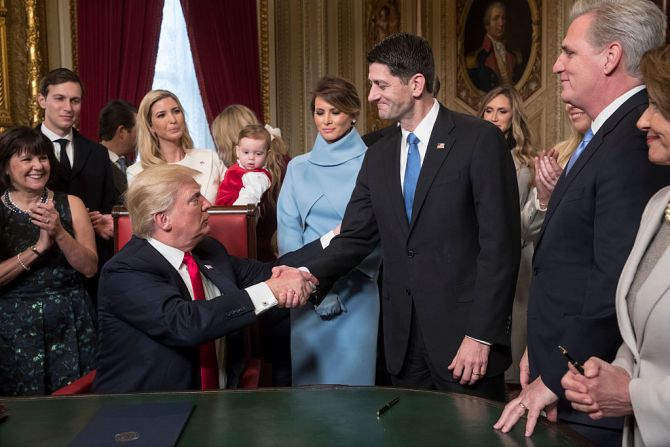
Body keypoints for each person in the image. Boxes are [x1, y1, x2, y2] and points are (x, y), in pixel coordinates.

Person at [307, 33, 520, 401]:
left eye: (380, 84)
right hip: (403, 345)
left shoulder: (479, 140)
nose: (371, 95)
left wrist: (481, 335)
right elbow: (356, 235)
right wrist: (306, 272)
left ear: (416, 83)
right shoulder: (376, 152)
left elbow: (500, 247)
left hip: (464, 343)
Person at [494, 1, 670, 444]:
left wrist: (556, 373)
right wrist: (544, 346)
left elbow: (614, 279)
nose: (556, 65)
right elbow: (572, 260)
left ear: (610, 57)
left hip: (593, 391)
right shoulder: (604, 135)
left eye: (569, 53)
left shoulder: (632, 139)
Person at [92, 164, 323, 393]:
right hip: (148, 414)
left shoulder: (207, 250)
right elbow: (187, 323)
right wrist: (270, 291)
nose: (208, 204)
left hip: (222, 404)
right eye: (195, 199)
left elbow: (271, 271)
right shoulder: (125, 271)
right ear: (163, 220)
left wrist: (339, 237)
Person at [561, 43, 670, 447]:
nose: (643, 120)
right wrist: (617, 372)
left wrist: (632, 396)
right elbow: (639, 331)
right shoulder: (659, 206)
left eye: (657, 106)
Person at [277, 76, 381, 385]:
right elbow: (288, 230)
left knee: (355, 388)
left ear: (353, 113)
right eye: (320, 112)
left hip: (358, 289)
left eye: (335, 112)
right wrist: (313, 286)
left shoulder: (373, 163)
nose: (326, 120)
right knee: (310, 390)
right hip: (305, 290)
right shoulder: (297, 167)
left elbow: (376, 232)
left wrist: (333, 281)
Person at [0, 127, 97, 396]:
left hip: (72, 319)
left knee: (78, 411)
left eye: (42, 158)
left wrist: (59, 233)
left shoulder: (72, 204)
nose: (37, 166)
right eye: (26, 159)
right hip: (13, 328)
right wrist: (39, 248)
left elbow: (89, 268)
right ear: (7, 167)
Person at [37, 68, 118, 303]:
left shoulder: (98, 153)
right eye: (59, 98)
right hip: (41, 267)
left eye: (75, 100)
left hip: (91, 271)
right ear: (42, 100)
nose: (68, 108)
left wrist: (101, 220)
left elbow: (108, 206)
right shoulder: (22, 148)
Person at [478, 85, 535, 385]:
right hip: (477, 257)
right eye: (488, 110)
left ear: (513, 118)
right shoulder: (469, 154)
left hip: (517, 259)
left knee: (513, 340)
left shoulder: (525, 166)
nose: (494, 117)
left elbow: (522, 223)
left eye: (502, 111)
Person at [126, 90, 225, 203]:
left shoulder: (210, 158)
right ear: (150, 126)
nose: (173, 120)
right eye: (161, 115)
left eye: (176, 111)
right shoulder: (137, 173)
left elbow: (235, 197)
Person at [467, 1, 523, 92]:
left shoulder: (515, 55)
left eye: (503, 18)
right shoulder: (475, 59)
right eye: (496, 18)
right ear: (487, 24)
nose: (501, 23)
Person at [215, 124, 273, 207]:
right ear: (237, 151)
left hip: (234, 214)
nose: (251, 157)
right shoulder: (238, 167)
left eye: (258, 154)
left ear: (267, 155)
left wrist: (235, 213)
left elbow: (250, 197)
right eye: (246, 152)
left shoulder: (258, 176)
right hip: (221, 211)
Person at [98, 99, 138, 200]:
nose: (142, 136)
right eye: (139, 130)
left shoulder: (132, 167)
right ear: (122, 131)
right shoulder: (90, 163)